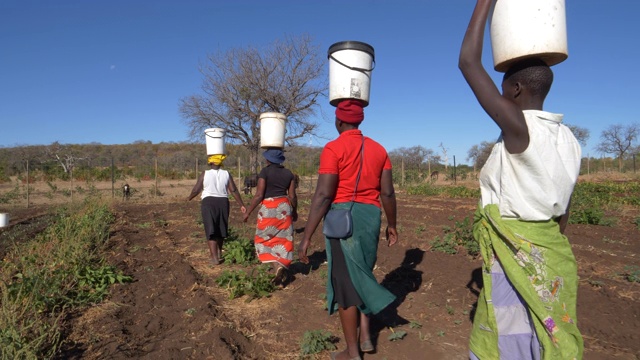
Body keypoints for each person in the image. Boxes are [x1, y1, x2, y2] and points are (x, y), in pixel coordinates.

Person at [459, 1, 584, 359]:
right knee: (545, 335)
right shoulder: (568, 139)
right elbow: (565, 208)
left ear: (514, 91)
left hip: (519, 250)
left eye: (502, 91)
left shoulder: (519, 128)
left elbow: (468, 62)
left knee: (510, 336)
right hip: (551, 251)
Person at [298, 99, 398, 360]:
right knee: (363, 273)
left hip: (343, 220)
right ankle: (365, 338)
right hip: (371, 218)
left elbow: (323, 195)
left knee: (345, 285)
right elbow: (387, 192)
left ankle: (352, 353)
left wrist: (307, 235)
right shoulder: (379, 149)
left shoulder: (333, 148)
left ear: (339, 121)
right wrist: (392, 225)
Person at [243, 148, 298, 285]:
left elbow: (259, 195)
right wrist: (294, 211)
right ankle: (280, 267)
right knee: (283, 240)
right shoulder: (288, 173)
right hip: (284, 208)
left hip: (269, 208)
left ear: (268, 160)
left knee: (263, 239)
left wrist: (248, 211)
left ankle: (275, 265)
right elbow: (292, 196)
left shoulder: (265, 172)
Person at [187, 154, 246, 265]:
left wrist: (189, 198)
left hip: (208, 202)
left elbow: (196, 189)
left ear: (211, 163)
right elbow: (233, 190)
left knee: (211, 228)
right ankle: (219, 253)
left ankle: (214, 258)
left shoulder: (205, 173)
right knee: (221, 227)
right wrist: (241, 204)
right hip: (223, 202)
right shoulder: (226, 173)